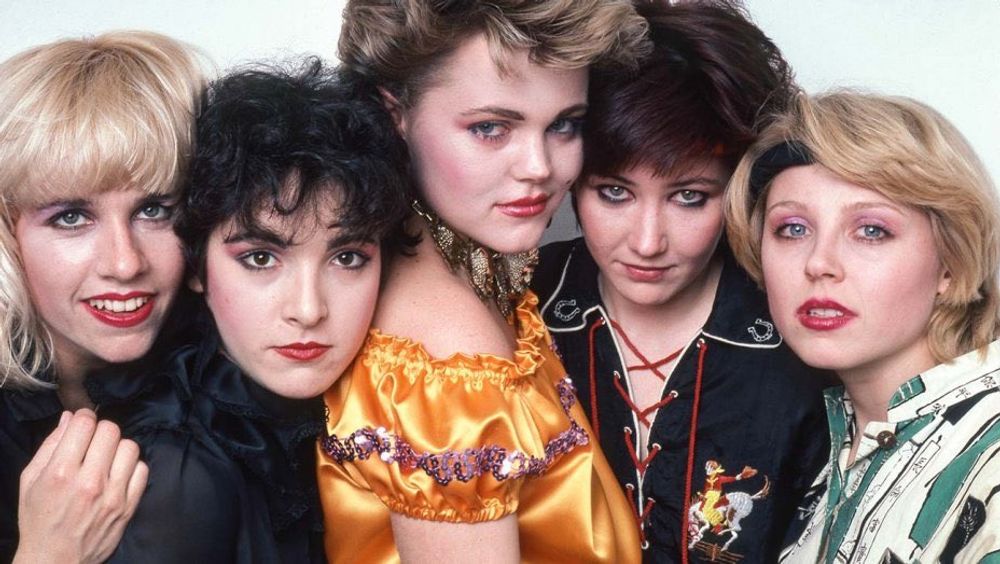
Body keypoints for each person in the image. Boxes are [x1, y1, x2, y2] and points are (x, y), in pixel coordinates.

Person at [316, 1, 650, 562]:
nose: (539, 166)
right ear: (394, 114)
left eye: (564, 124)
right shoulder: (449, 354)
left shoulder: (443, 273)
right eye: (491, 128)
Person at [530, 3, 830, 562]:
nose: (648, 242)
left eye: (689, 197)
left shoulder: (804, 332)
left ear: (739, 189)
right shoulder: (519, 308)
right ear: (572, 179)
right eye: (614, 193)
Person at [725, 91, 1000, 562]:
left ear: (950, 264)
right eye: (793, 228)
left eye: (872, 230)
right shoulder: (827, 443)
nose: (819, 263)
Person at [167, 59, 412, 562]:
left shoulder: (381, 407)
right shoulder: (178, 477)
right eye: (261, 258)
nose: (308, 310)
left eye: (347, 258)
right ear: (196, 266)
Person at [0, 31, 204, 563]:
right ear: (7, 234)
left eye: (154, 210)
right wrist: (50, 553)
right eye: (71, 217)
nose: (125, 262)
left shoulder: (232, 387)